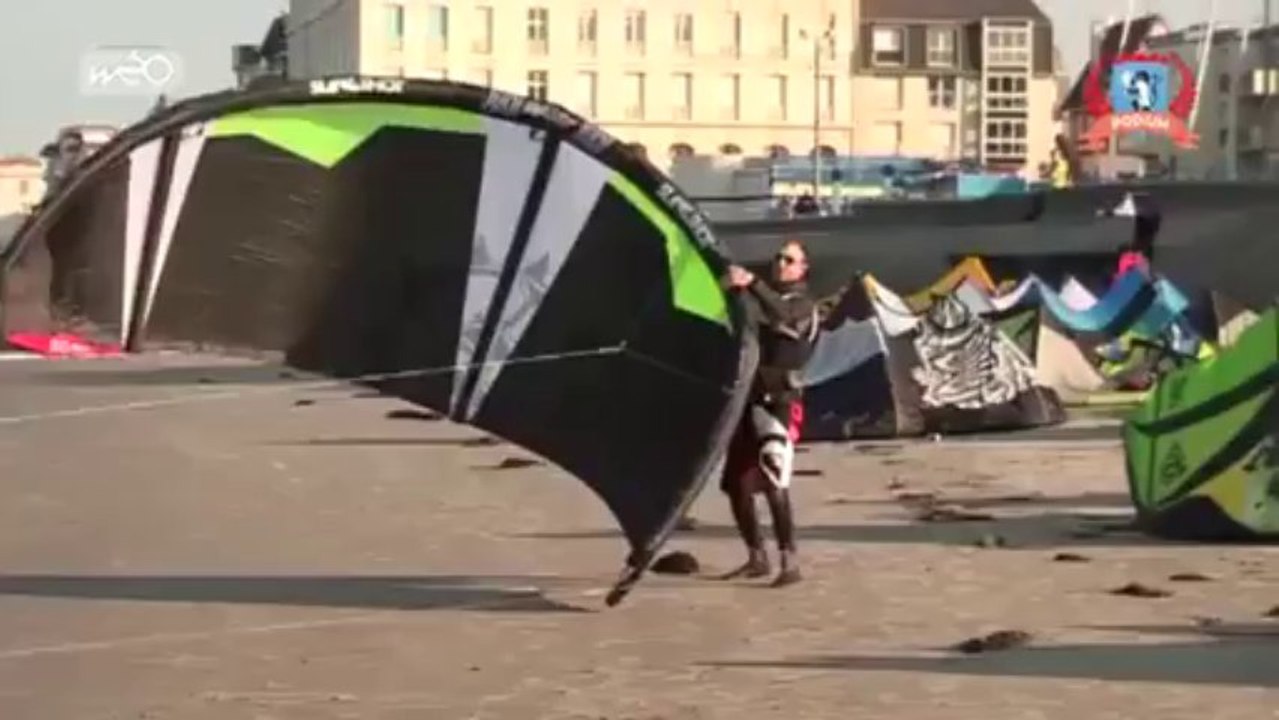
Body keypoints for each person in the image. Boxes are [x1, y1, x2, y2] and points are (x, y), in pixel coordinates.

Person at [719, 239, 818, 587]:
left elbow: (784, 314)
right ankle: (756, 556)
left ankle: (790, 562)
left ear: (803, 268)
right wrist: (731, 291)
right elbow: (745, 320)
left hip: (781, 401)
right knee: (736, 485)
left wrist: (752, 283)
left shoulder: (804, 304)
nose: (780, 263)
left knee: (774, 478)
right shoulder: (762, 300)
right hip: (751, 400)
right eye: (777, 258)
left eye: (789, 259)